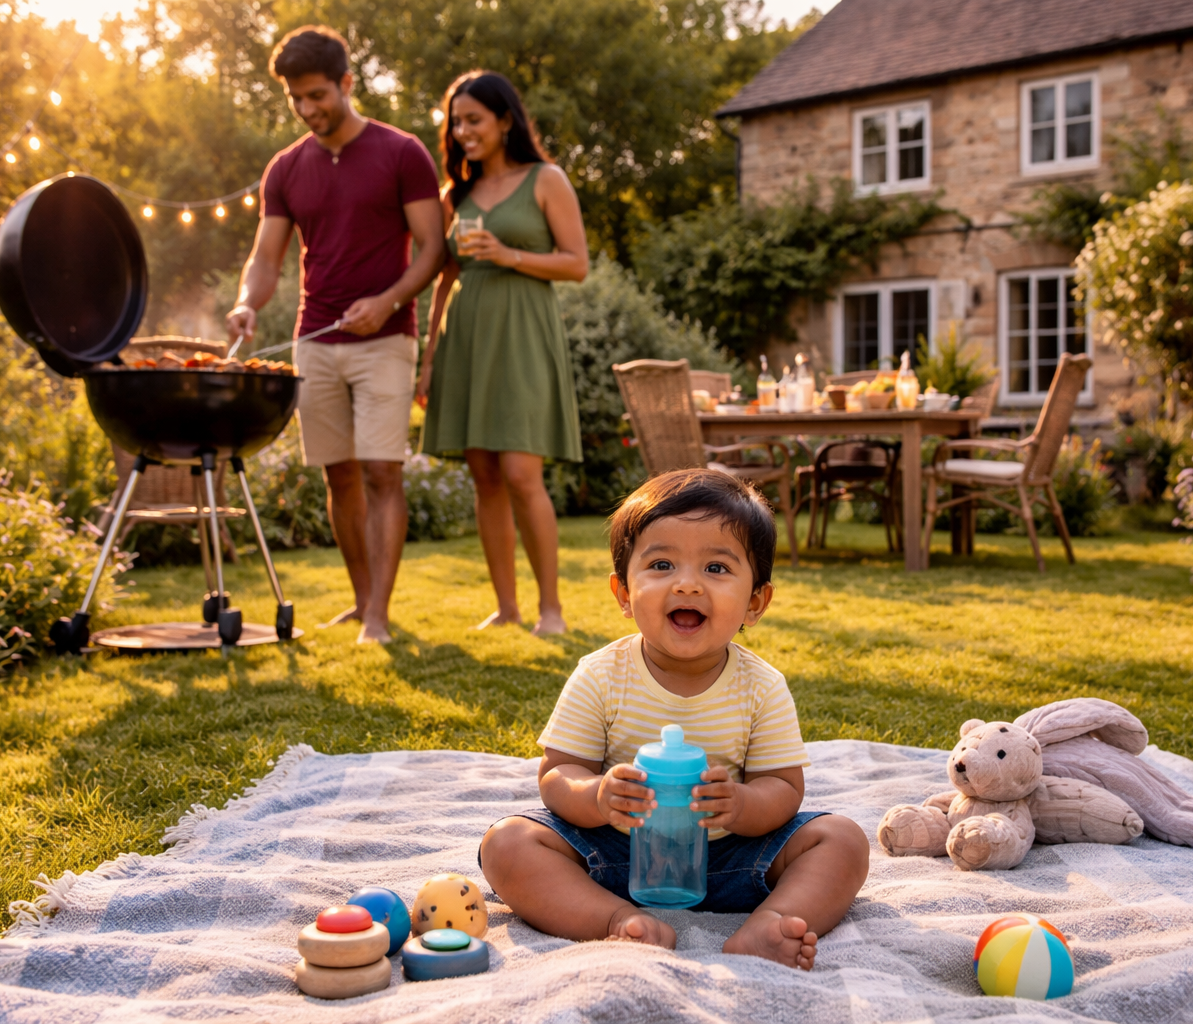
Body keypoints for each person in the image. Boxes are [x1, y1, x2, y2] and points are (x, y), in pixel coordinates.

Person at [478, 470, 870, 970]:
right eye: (661, 564)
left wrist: (741, 803)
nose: (687, 583)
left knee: (841, 840)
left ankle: (770, 923)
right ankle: (616, 921)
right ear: (623, 592)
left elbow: (784, 788)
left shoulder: (761, 685)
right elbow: (558, 774)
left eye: (716, 568)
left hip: (732, 859)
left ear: (756, 602)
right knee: (508, 843)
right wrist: (598, 796)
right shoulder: (602, 675)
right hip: (614, 854)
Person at [226, 26, 445, 644]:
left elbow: (432, 249)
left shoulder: (402, 153)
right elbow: (266, 259)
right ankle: (360, 599)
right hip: (315, 342)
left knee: (382, 474)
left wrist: (389, 301)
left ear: (347, 84)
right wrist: (247, 303)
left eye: (317, 95)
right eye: (297, 99)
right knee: (338, 476)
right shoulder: (285, 168)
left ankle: (378, 613)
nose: (307, 109)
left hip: (386, 337)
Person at [416, 71, 586, 636]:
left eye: (474, 120)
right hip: (465, 335)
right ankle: (507, 607)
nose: (463, 131)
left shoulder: (546, 178)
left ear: (505, 120)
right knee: (484, 473)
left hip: (521, 332)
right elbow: (445, 278)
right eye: (456, 122)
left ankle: (551, 609)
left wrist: (508, 253)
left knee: (520, 472)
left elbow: (576, 264)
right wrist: (429, 356)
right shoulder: (454, 196)